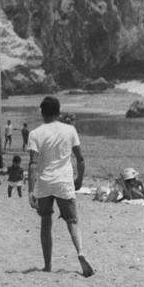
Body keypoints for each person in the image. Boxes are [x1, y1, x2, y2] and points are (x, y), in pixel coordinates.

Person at [27, 95, 93, 276]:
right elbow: (80, 158)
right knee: (72, 221)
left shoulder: (35, 133)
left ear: (42, 112)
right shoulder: (70, 130)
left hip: (45, 183)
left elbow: (32, 164)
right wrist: (79, 178)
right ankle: (80, 252)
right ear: (59, 112)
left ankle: (47, 265)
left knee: (45, 223)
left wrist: (30, 191)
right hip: (64, 182)